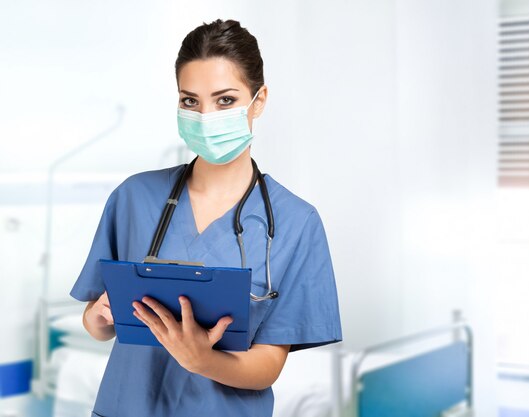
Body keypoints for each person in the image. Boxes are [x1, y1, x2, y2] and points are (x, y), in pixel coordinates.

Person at [70, 19, 342, 417]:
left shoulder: (296, 223)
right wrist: (96, 317)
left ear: (259, 100)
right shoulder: (134, 197)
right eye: (190, 101)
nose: (205, 116)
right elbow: (98, 323)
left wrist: (202, 361)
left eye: (225, 100)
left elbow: (268, 364)